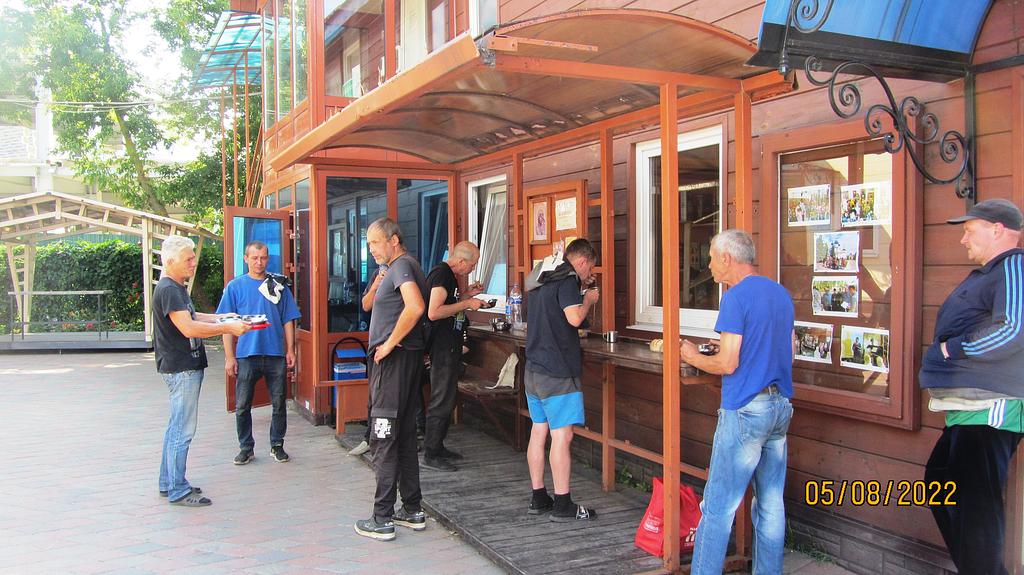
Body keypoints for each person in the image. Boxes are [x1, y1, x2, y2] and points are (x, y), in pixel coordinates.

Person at [680, 229, 795, 575]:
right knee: (771, 506)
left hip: (746, 410)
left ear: (727, 258)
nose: (709, 265)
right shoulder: (780, 293)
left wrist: (692, 355)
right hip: (779, 407)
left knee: (718, 507)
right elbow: (788, 352)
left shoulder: (734, 298)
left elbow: (728, 363)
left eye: (712, 258)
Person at [920, 198, 1024, 575]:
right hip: (968, 408)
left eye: (969, 230)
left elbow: (1012, 329)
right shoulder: (989, 272)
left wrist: (954, 349)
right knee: (939, 483)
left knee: (977, 507)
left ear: (997, 230)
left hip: (990, 409)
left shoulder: (1013, 266)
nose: (963, 239)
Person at [153, 236, 250, 507]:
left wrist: (226, 317)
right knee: (182, 430)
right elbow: (189, 329)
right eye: (188, 258)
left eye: (193, 257)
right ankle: (178, 489)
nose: (193, 262)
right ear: (170, 261)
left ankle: (169, 482)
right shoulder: (170, 289)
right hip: (181, 368)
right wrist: (228, 327)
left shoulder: (175, 287)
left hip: (181, 367)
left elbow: (193, 317)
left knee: (175, 427)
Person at [354, 218, 430, 542]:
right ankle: (412, 509)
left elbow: (416, 307)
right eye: (369, 244)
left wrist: (387, 344)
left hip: (394, 363)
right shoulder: (402, 267)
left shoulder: (401, 266)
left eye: (375, 242)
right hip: (406, 362)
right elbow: (369, 305)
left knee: (383, 435)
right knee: (405, 435)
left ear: (394, 240)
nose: (371, 249)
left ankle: (382, 517)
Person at [524, 238, 600, 522]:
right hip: (557, 371)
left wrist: (580, 289)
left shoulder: (544, 274)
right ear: (582, 261)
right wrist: (588, 300)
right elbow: (574, 319)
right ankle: (563, 504)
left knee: (538, 432)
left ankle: (538, 497)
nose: (589, 273)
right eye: (589, 268)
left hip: (534, 369)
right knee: (562, 436)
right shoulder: (567, 279)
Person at [217, 241, 301, 465]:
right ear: (246, 259)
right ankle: (246, 448)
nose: (259, 262)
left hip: (275, 354)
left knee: (279, 403)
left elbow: (288, 319)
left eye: (263, 258)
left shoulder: (278, 285)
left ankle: (277, 445)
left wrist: (290, 349)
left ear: (268, 259)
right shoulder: (235, 287)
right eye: (254, 258)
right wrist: (229, 357)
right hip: (246, 354)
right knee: (242, 405)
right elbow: (226, 324)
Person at [422, 241, 485, 472]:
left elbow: (448, 303)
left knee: (447, 398)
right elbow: (434, 311)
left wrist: (467, 294)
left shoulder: (449, 277)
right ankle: (431, 453)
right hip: (441, 346)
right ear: (461, 261)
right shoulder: (442, 275)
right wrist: (467, 303)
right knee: (441, 398)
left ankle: (438, 447)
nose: (472, 268)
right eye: (472, 264)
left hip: (449, 345)